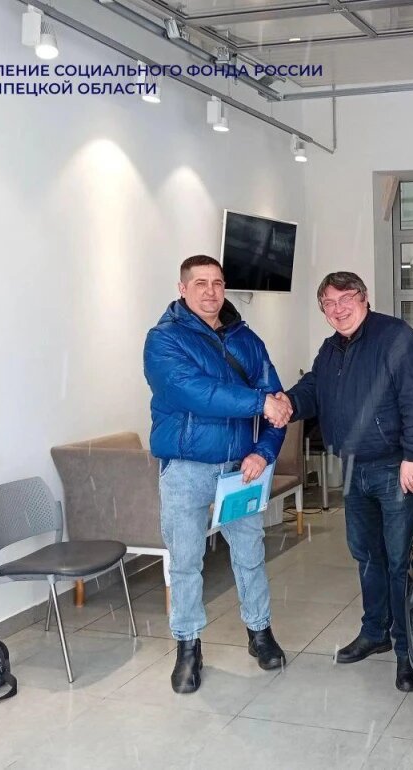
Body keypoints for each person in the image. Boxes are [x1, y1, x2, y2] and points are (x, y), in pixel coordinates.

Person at [272, 271, 413, 692]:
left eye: (346, 298)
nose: (338, 309)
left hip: (394, 468)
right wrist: (286, 402)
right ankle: (375, 631)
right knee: (366, 555)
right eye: (329, 303)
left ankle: (406, 651)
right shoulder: (331, 349)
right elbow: (313, 390)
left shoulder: (395, 338)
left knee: (399, 561)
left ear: (364, 298)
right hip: (352, 468)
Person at [143, 255, 293, 694]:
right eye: (200, 283)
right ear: (182, 288)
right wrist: (259, 403)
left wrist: (263, 452)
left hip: (240, 470)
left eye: (218, 283)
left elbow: (278, 405)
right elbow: (195, 393)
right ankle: (188, 647)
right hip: (185, 470)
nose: (211, 291)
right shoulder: (163, 340)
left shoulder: (248, 340)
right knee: (186, 562)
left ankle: (259, 632)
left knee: (250, 553)